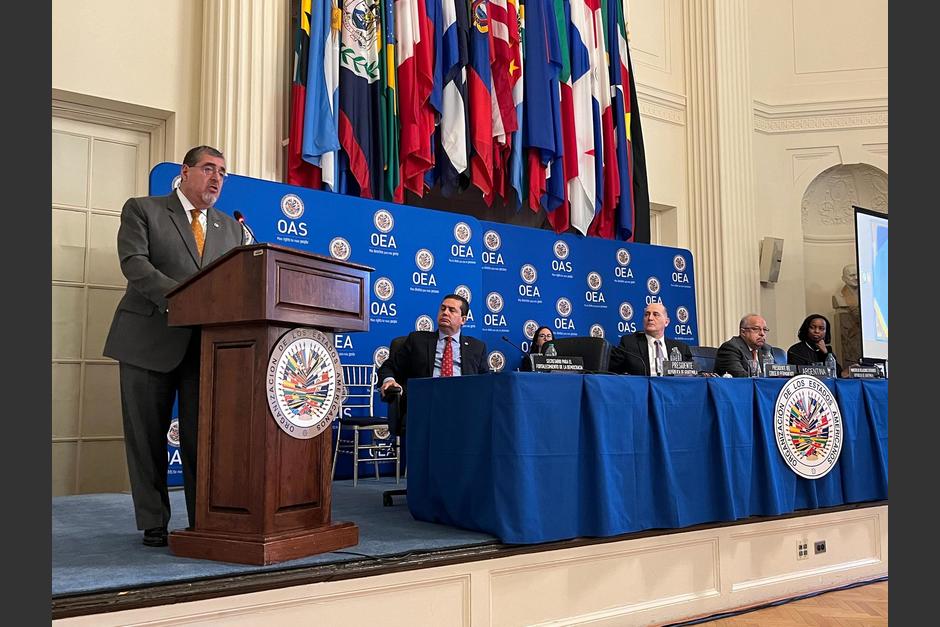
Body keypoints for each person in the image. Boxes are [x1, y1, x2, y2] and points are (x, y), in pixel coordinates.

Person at [103, 146, 245, 547]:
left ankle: (203, 519)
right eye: (208, 169)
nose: (216, 178)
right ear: (185, 172)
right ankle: (153, 522)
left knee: (205, 440)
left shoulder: (230, 228)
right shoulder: (143, 209)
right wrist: (183, 300)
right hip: (148, 342)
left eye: (222, 172)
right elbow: (134, 263)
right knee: (146, 439)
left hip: (205, 349)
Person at [378, 294, 490, 397]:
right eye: (443, 308)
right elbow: (389, 367)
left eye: (452, 310)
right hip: (425, 401)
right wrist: (389, 380)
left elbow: (486, 383)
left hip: (462, 402)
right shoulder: (417, 340)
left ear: (463, 320)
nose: (445, 313)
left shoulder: (477, 347)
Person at [608, 303, 693, 375]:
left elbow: (693, 373)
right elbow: (609, 369)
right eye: (647, 314)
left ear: (666, 322)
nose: (650, 318)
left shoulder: (681, 348)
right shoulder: (629, 343)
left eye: (656, 314)